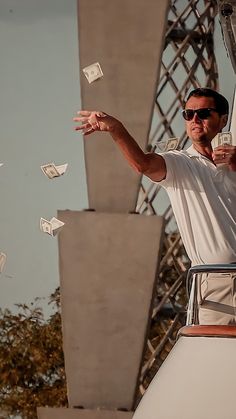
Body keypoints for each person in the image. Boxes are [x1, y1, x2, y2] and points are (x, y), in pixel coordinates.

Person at [73, 87, 236, 325]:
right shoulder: (180, 163)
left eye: (203, 113)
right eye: (188, 114)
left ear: (223, 120)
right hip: (216, 284)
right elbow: (142, 164)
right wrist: (116, 129)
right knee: (218, 357)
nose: (194, 120)